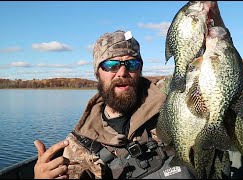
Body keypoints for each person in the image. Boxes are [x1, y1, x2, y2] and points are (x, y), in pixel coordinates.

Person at [33, 30, 196, 179]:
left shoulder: (175, 101)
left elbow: (212, 63)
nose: (122, 72)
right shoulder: (79, 145)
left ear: (140, 70)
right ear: (97, 73)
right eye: (111, 65)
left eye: (132, 64)